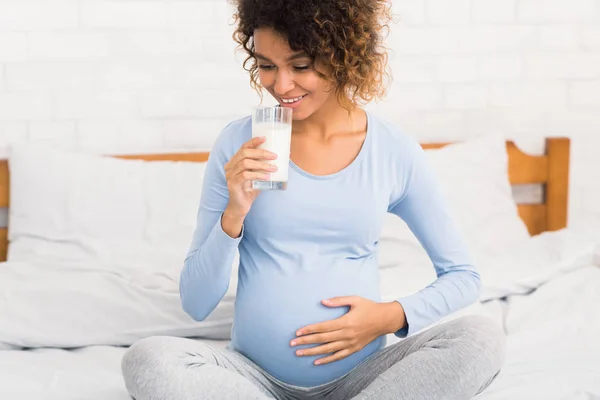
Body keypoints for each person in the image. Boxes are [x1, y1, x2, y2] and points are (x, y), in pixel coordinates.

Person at [121, 0, 506, 399]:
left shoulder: (393, 151)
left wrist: (387, 318)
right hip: (254, 379)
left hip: (365, 378)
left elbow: (463, 276)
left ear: (344, 56)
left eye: (300, 66)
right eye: (266, 65)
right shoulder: (240, 143)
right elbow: (196, 303)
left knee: (480, 337)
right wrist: (234, 213)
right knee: (149, 359)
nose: (280, 85)